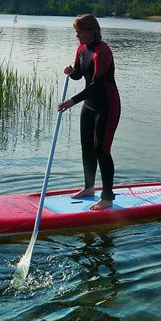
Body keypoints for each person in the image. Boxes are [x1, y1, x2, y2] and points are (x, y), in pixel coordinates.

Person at [57, 14, 121, 210]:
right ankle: (89, 188)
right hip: (89, 105)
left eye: (80, 32)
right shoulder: (82, 49)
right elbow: (78, 74)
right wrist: (71, 71)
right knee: (87, 147)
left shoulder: (103, 51)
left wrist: (72, 101)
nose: (77, 36)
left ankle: (108, 197)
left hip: (107, 106)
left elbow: (97, 85)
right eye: (76, 32)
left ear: (92, 31)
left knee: (102, 150)